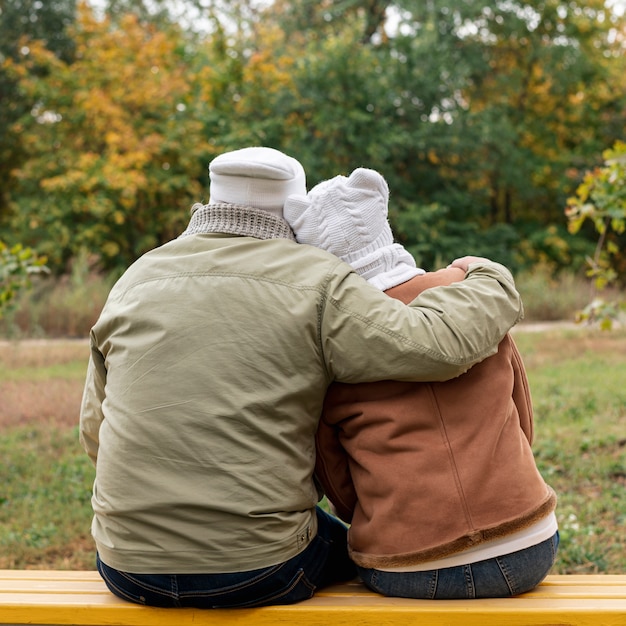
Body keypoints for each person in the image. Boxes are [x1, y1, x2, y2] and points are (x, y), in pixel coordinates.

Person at [79, 147, 524, 609]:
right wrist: (488, 277)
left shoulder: (135, 279)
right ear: (295, 206)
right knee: (364, 550)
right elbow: (437, 346)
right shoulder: (318, 279)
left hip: (126, 567)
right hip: (260, 568)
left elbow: (95, 434)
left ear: (212, 197)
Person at [283, 167, 558, 600]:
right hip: (527, 544)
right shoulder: (466, 294)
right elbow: (521, 412)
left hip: (406, 566)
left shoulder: (332, 337)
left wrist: (386, 518)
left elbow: (334, 475)